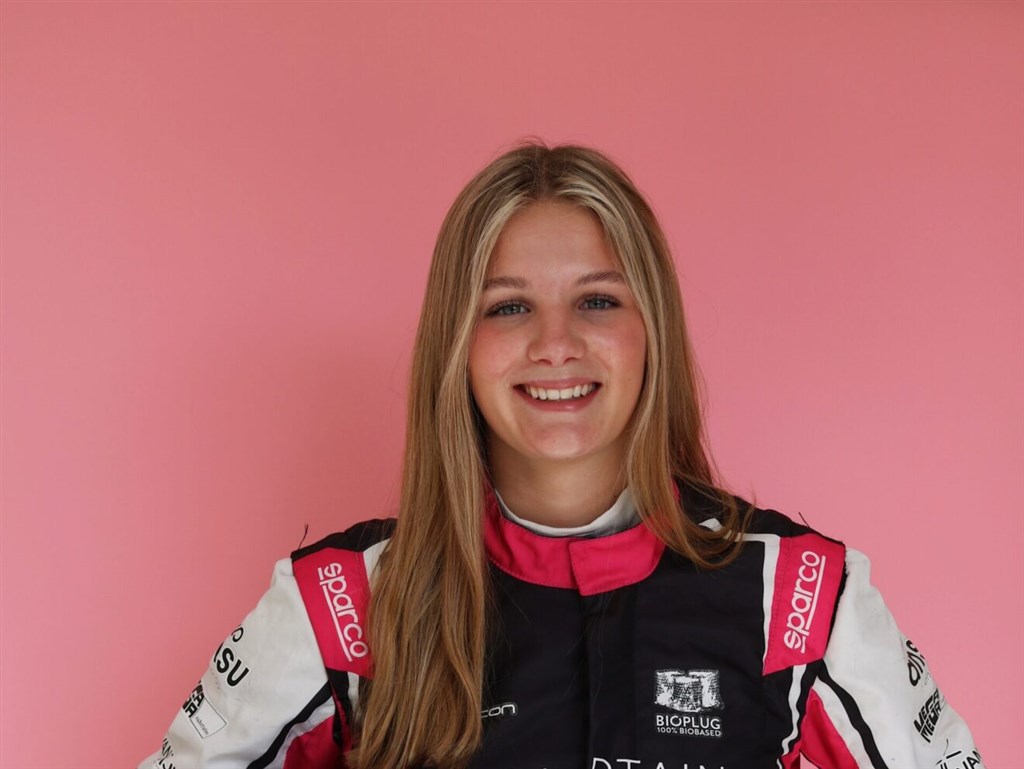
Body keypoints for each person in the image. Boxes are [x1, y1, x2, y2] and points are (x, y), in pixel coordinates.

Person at [140, 144, 984, 769]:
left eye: (597, 300)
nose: (555, 343)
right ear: (457, 345)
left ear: (651, 329)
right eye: (508, 307)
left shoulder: (800, 598)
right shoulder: (346, 601)